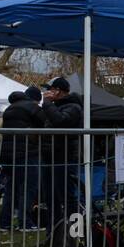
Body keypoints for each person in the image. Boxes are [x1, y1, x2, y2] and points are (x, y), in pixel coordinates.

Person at [39, 77, 84, 233]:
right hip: (49, 157)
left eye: (50, 89)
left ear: (58, 91)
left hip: (64, 157)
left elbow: (60, 122)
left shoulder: (73, 107)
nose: (47, 93)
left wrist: (46, 104)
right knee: (50, 197)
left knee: (67, 196)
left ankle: (75, 231)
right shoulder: (53, 107)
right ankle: (54, 231)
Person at [0, 89, 46, 229]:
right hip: (27, 152)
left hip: (8, 155)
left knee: (11, 189)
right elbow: (45, 122)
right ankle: (25, 222)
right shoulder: (31, 107)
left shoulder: (8, 109)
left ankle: (4, 223)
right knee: (28, 188)